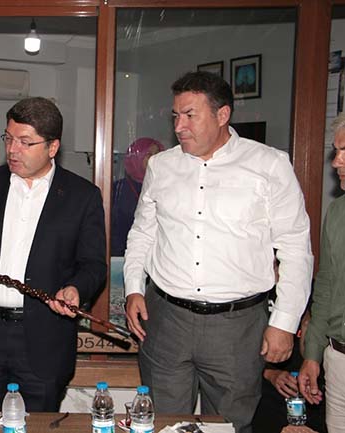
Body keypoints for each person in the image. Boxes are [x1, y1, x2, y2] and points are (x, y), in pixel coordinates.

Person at [123, 71, 313, 433]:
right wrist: (133, 287)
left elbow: (295, 248)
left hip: (236, 327)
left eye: (189, 115)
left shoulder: (270, 165)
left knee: (230, 426)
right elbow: (143, 232)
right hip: (166, 321)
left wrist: (284, 323)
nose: (179, 127)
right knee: (161, 425)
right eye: (175, 116)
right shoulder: (161, 166)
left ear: (222, 115)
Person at [0, 97, 106, 412]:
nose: (12, 149)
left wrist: (76, 289)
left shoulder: (82, 196)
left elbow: (93, 265)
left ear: (52, 147)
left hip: (44, 338)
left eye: (25, 142)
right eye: (8, 138)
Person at [299, 112, 345, 433]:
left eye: (344, 152)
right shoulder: (337, 212)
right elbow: (326, 286)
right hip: (338, 358)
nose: (336, 162)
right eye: (336, 151)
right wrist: (313, 354)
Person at [253, 310, 326, 433]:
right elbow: (242, 357)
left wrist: (307, 327)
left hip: (312, 386)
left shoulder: (317, 306)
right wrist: (270, 373)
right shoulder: (259, 306)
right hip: (265, 385)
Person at [110, 137, 163, 256]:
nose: (154, 158)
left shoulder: (164, 186)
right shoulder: (118, 189)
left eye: (157, 154)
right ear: (137, 158)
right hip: (121, 256)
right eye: (149, 154)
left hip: (157, 256)